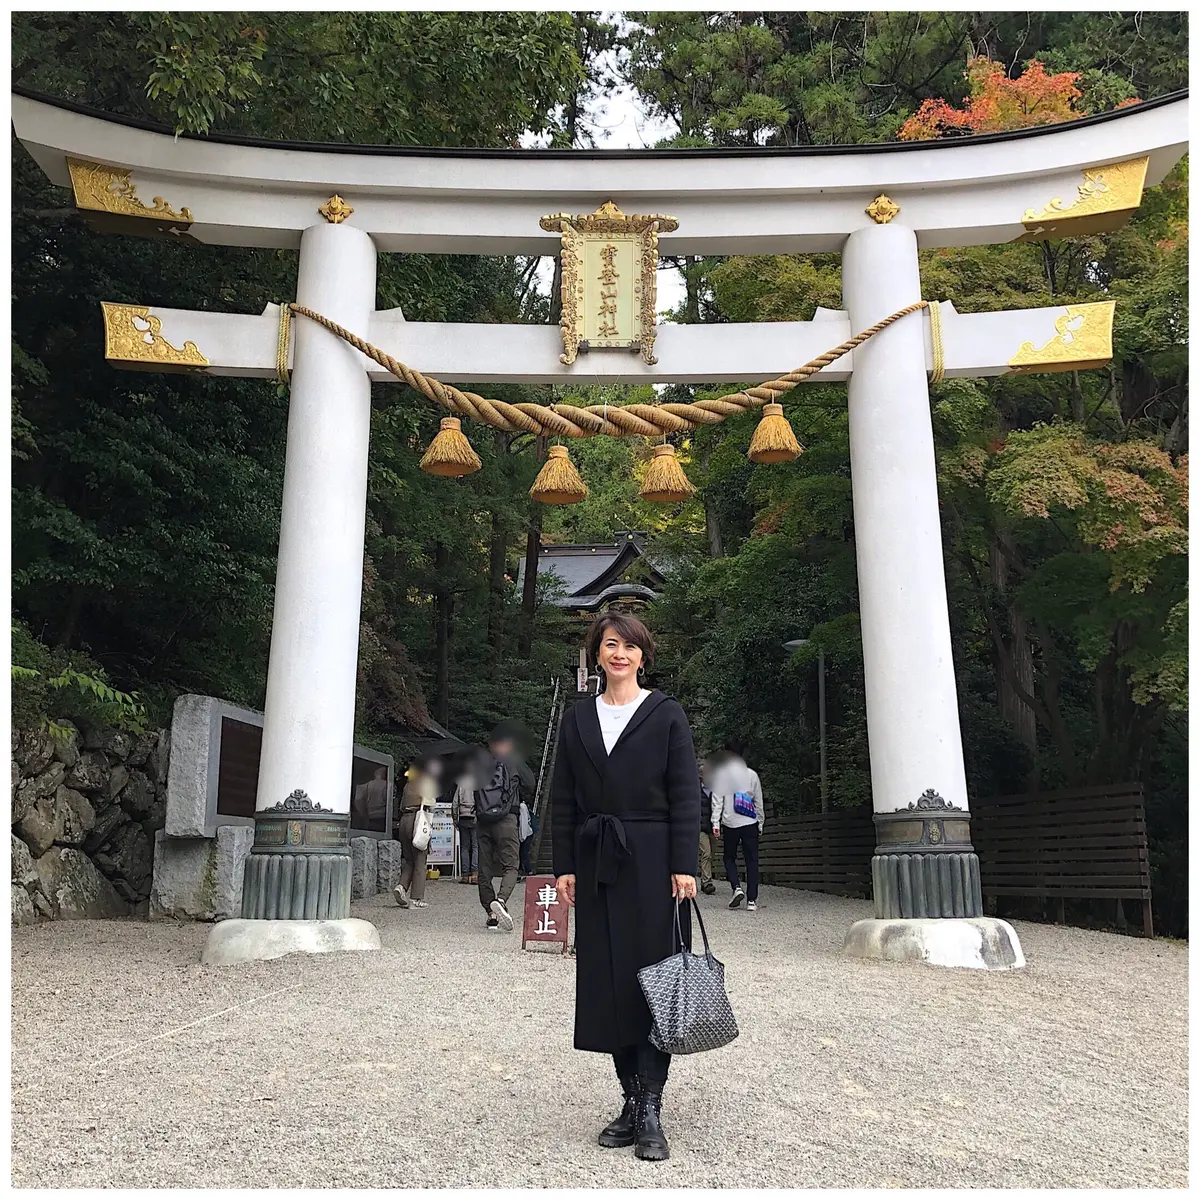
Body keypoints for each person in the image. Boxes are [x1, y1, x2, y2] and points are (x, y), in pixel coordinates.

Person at [552, 611, 700, 1163]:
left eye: (630, 646)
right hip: (596, 862)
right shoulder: (577, 717)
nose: (620, 654)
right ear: (597, 653)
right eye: (611, 645)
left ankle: (652, 1110)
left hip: (653, 858)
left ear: (644, 656)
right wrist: (564, 864)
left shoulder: (665, 714)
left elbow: (686, 793)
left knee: (653, 980)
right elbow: (563, 798)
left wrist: (684, 864)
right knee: (610, 982)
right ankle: (631, 1102)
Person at [476, 726, 522, 931]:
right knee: (511, 865)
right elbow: (529, 784)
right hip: (506, 820)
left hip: (483, 821)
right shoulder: (513, 763)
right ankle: (501, 901)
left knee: (484, 870)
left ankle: (491, 913)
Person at [709, 739, 765, 911]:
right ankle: (752, 901)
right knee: (752, 860)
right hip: (750, 822)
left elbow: (717, 801)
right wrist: (760, 822)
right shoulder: (752, 775)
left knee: (729, 857)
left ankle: (736, 887)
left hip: (730, 823)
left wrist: (715, 823)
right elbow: (758, 801)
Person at [394, 755, 440, 909]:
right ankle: (417, 898)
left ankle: (401, 887)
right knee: (420, 860)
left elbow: (400, 806)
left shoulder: (408, 784)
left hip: (404, 821)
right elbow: (431, 804)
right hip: (418, 821)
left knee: (409, 859)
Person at [451, 754, 479, 885]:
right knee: (475, 846)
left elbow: (455, 802)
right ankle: (474, 874)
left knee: (464, 847)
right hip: (475, 817)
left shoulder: (461, 784)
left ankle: (464, 875)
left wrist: (455, 818)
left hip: (463, 817)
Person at [697, 758, 717, 895]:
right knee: (706, 853)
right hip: (700, 827)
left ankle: (705, 879)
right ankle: (707, 882)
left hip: (712, 826)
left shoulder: (716, 790)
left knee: (711, 855)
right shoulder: (695, 791)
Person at [353, 765, 390, 833]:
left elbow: (358, 801)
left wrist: (365, 816)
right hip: (383, 819)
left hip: (371, 818)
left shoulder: (365, 786)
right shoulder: (387, 785)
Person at [518, 795, 536, 879]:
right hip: (526, 833)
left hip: (526, 833)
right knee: (523, 852)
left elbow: (523, 822)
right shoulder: (523, 806)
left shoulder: (522, 807)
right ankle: (525, 869)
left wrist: (522, 836)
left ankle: (528, 870)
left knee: (524, 853)